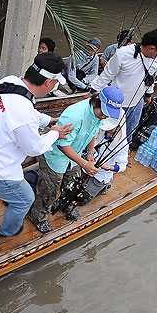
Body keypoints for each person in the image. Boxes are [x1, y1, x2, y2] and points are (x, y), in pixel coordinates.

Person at [0, 52, 74, 237]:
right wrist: (55, 133)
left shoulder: (9, 82)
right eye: (55, 83)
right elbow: (34, 148)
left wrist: (47, 121)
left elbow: (23, 111)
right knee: (25, 199)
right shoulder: (22, 114)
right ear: (48, 83)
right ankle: (7, 231)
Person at [27, 86, 124, 231]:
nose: (105, 116)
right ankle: (38, 217)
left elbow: (93, 132)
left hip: (75, 157)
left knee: (73, 185)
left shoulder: (98, 115)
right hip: (55, 157)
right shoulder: (75, 115)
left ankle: (67, 206)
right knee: (49, 190)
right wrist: (84, 164)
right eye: (104, 112)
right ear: (97, 101)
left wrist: (90, 153)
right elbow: (62, 144)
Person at [89, 27, 157, 140]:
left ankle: (124, 148)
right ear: (152, 48)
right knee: (109, 132)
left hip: (137, 102)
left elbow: (150, 77)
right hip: (116, 103)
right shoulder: (123, 54)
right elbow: (107, 75)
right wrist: (92, 92)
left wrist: (148, 95)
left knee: (128, 132)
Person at [79, 122, 129, 205]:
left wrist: (107, 167)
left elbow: (123, 166)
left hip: (101, 174)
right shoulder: (98, 130)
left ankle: (105, 185)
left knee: (82, 200)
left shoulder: (122, 143)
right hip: (87, 165)